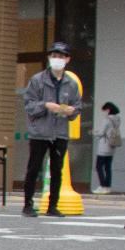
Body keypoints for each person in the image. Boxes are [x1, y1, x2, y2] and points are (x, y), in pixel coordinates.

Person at [19, 41, 80, 217]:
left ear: (67, 59)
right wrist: (45, 105)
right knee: (33, 168)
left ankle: (52, 206)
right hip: (40, 132)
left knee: (57, 170)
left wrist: (71, 111)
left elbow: (77, 106)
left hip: (60, 132)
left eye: (61, 56)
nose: (57, 59)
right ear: (49, 58)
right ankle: (28, 205)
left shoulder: (71, 83)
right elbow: (29, 105)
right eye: (54, 56)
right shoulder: (37, 80)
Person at [94, 101, 122, 192]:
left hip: (104, 146)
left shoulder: (107, 119)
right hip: (112, 146)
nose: (104, 113)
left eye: (104, 110)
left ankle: (102, 186)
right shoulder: (118, 119)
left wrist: (94, 132)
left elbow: (101, 133)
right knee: (108, 167)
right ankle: (107, 186)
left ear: (108, 110)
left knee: (98, 166)